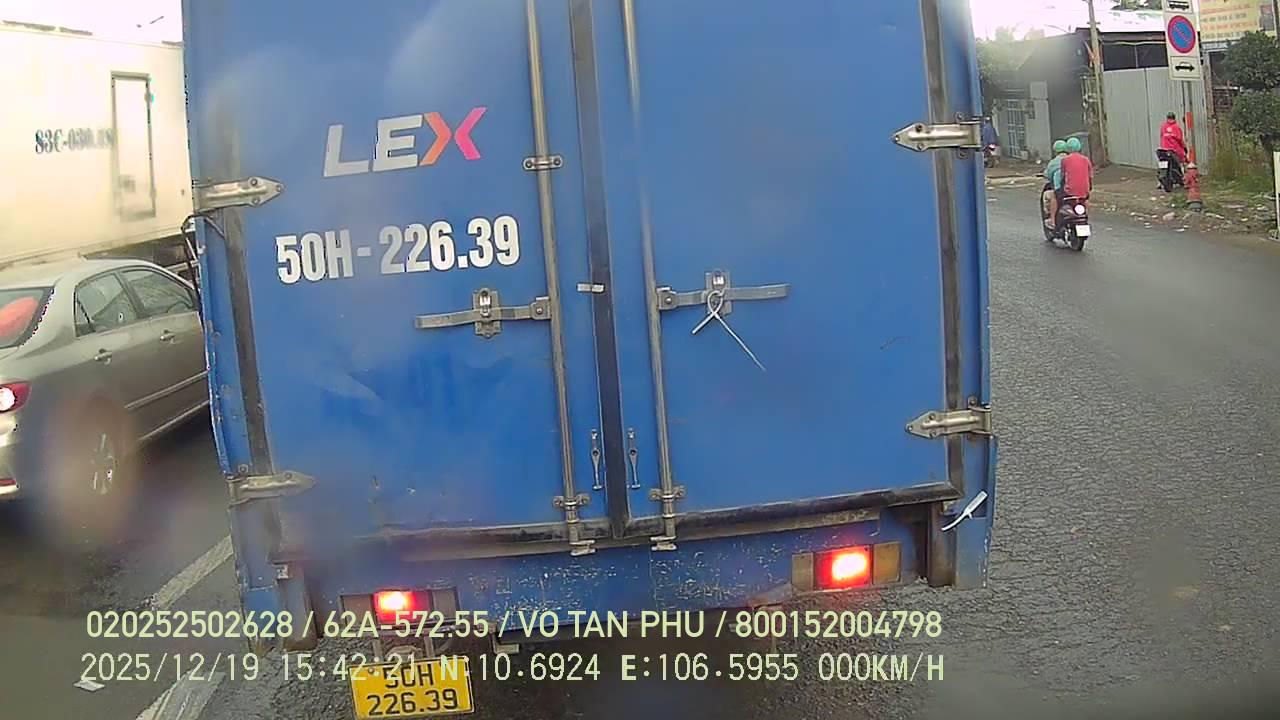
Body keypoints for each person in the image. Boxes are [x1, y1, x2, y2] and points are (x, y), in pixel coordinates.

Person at [1042, 140, 1069, 228]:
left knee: (1050, 196)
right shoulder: (1073, 160)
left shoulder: (1054, 162)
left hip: (1060, 190)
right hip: (1076, 191)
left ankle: (1052, 220)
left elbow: (1048, 175)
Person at [1060, 137, 1094, 207]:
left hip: (1069, 192)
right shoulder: (1086, 159)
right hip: (1084, 192)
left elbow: (1062, 176)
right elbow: (1090, 177)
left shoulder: (1065, 160)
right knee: (1086, 202)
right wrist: (1089, 188)